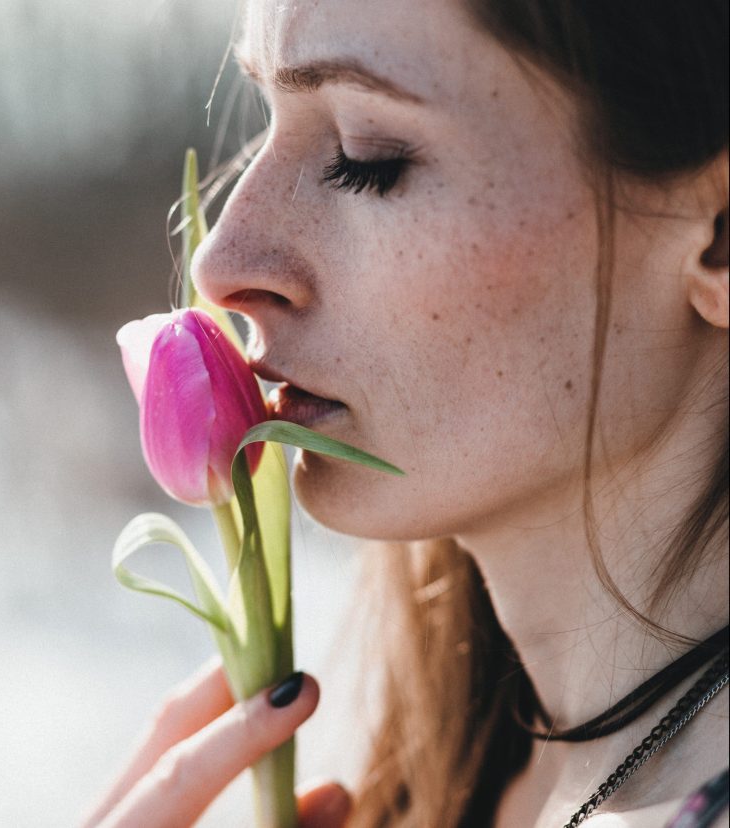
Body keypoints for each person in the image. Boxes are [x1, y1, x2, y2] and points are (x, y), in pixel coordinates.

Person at [85, 1, 729, 825]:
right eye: (265, 125)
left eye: (368, 158)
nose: (220, 261)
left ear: (716, 235)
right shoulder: (438, 777)